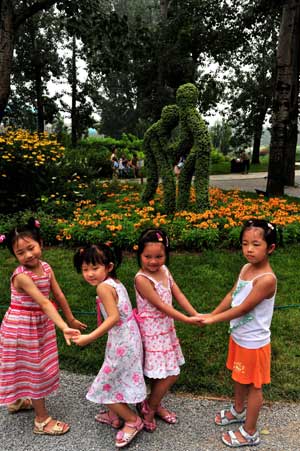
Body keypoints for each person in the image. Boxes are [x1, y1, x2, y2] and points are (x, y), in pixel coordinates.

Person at [0, 217, 85, 435]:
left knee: (27, 365)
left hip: (37, 324)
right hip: (21, 327)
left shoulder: (46, 267)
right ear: (15, 256)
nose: (28, 255)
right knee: (35, 368)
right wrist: (63, 326)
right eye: (21, 252)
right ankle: (41, 420)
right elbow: (45, 302)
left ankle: (17, 401)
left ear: (41, 243)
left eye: (31, 248)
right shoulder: (21, 277)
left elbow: (57, 294)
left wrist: (71, 319)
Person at [199, 219, 277, 448]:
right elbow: (233, 295)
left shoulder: (266, 280)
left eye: (256, 244)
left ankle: (251, 432)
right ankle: (239, 409)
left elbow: (242, 308)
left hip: (254, 343)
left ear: (270, 248)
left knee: (254, 385)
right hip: (239, 337)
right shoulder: (246, 269)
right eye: (245, 244)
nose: (249, 249)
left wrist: (212, 320)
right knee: (238, 376)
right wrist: (212, 313)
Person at [73, 243, 146, 448]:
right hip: (128, 338)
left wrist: (89, 337)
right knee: (117, 376)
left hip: (122, 341)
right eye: (85, 269)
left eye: (94, 268)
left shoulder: (103, 287)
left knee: (103, 387)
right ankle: (115, 415)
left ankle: (132, 420)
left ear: (109, 266)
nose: (89, 273)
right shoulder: (114, 282)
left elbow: (113, 318)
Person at [134, 228, 202, 432]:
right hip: (152, 331)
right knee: (170, 374)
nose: (153, 261)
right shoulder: (142, 279)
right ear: (139, 255)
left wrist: (194, 313)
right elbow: (162, 306)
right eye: (147, 257)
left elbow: (177, 293)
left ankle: (153, 404)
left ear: (166, 255)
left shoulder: (164, 271)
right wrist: (187, 320)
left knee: (161, 373)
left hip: (165, 328)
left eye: (159, 256)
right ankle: (150, 408)